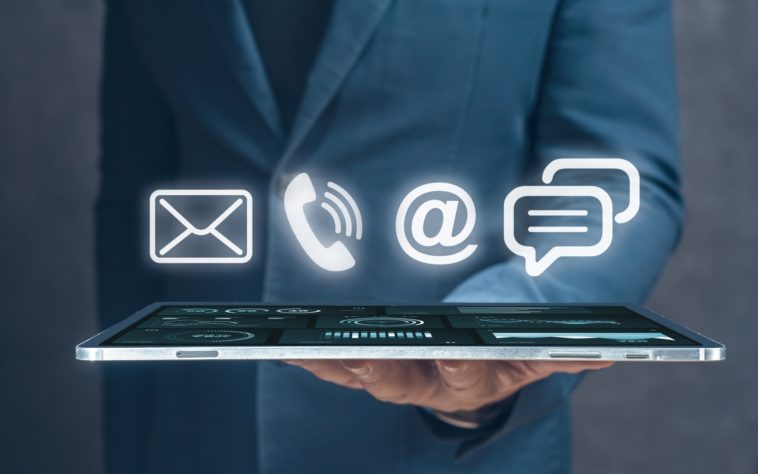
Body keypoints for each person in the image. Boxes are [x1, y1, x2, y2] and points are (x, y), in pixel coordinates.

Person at [97, 1, 682, 472]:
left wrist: (497, 328)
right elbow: (136, 199)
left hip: (446, 439)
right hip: (199, 437)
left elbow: (619, 182)